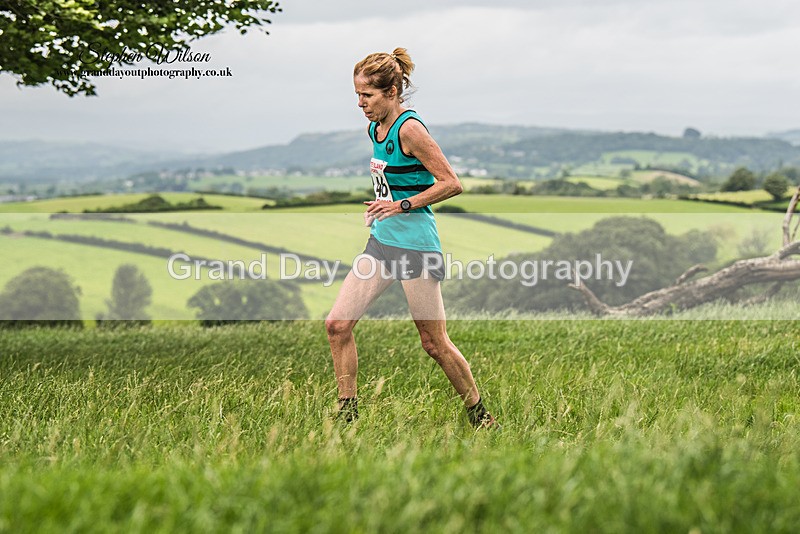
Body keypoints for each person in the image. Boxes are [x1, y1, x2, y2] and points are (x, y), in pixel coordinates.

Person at [325, 47, 498, 429]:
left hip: (416, 246)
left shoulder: (410, 128)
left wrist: (402, 205)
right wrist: (383, 205)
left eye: (366, 96)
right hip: (381, 242)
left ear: (391, 92)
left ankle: (480, 415)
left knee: (433, 342)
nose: (360, 104)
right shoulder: (376, 127)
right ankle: (347, 413)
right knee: (337, 325)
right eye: (357, 95)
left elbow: (451, 183)